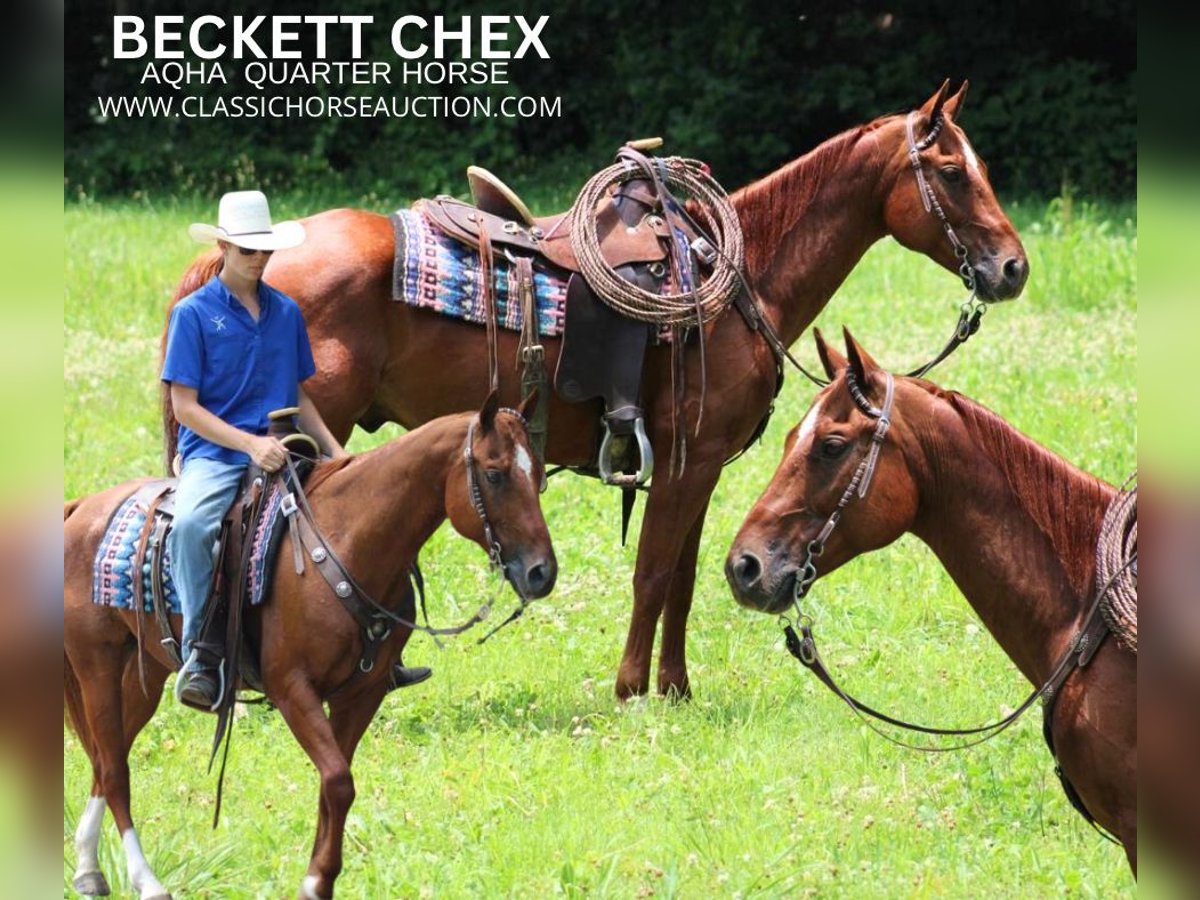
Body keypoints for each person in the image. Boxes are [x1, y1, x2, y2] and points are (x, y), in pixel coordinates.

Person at [163, 190, 429, 709]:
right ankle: (200, 652)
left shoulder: (285, 312)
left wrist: (336, 455)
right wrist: (248, 445)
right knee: (193, 526)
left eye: (264, 250)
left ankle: (379, 649)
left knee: (369, 520)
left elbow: (299, 393)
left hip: (286, 449)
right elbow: (185, 407)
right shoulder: (193, 315)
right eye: (246, 251)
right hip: (215, 454)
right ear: (222, 246)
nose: (257, 260)